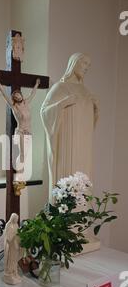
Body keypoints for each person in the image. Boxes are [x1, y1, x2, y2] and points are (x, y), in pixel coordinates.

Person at [40, 53, 99, 201]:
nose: (86, 68)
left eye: (88, 65)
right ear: (74, 64)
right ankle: (63, 216)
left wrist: (95, 108)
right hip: (66, 143)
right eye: (84, 64)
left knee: (82, 182)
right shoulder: (60, 87)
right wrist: (63, 103)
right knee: (66, 179)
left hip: (82, 147)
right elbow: (44, 111)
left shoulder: (85, 91)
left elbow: (89, 123)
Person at [0, 72, 40, 180]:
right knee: (22, 153)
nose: (17, 96)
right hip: (21, 132)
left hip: (29, 132)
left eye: (18, 94)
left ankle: (19, 170)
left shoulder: (26, 103)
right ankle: (19, 174)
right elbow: (4, 94)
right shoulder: (14, 106)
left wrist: (36, 84)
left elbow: (33, 94)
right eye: (15, 96)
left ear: (21, 95)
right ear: (14, 98)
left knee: (26, 155)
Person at [3, 213, 22, 285]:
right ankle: (9, 273)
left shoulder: (16, 225)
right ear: (12, 218)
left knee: (14, 260)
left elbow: (18, 233)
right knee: (10, 259)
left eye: (17, 219)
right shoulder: (8, 225)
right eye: (15, 219)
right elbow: (8, 238)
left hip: (15, 245)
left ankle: (15, 272)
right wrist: (14, 235)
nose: (16, 220)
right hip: (11, 246)